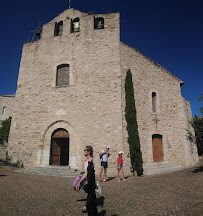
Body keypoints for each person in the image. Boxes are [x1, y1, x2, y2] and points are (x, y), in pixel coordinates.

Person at [76, 146, 98, 216]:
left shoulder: (92, 160)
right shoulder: (86, 163)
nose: (84, 151)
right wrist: (79, 182)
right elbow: (86, 173)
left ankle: (87, 207)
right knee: (92, 201)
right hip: (90, 183)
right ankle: (89, 208)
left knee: (90, 200)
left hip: (91, 184)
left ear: (88, 152)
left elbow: (91, 173)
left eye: (85, 150)